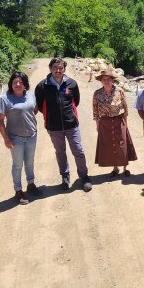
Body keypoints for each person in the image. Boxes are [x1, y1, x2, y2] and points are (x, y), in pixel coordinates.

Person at [34, 57, 92, 192]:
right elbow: (41, 106)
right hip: (53, 127)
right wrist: (51, 116)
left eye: (60, 68)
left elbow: (75, 102)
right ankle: (65, 177)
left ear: (64, 69)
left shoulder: (72, 83)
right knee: (60, 152)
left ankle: (84, 177)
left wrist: (68, 114)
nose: (58, 70)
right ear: (50, 69)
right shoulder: (42, 86)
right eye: (55, 68)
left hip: (71, 124)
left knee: (78, 151)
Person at [0, 71, 43, 205]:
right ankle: (18, 190)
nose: (17, 84)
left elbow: (34, 110)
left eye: (20, 82)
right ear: (11, 84)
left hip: (32, 135)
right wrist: (6, 138)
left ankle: (31, 184)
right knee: (17, 165)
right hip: (15, 138)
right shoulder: (5, 99)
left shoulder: (30, 95)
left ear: (25, 85)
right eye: (15, 82)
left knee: (30, 162)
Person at [93, 68, 138, 176]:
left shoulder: (119, 91)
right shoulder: (97, 93)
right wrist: (97, 125)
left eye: (109, 79)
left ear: (112, 80)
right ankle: (115, 168)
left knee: (122, 143)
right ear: (101, 81)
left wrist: (125, 123)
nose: (106, 81)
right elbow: (95, 110)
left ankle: (125, 168)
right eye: (104, 79)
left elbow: (125, 108)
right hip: (104, 122)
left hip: (119, 120)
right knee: (109, 145)